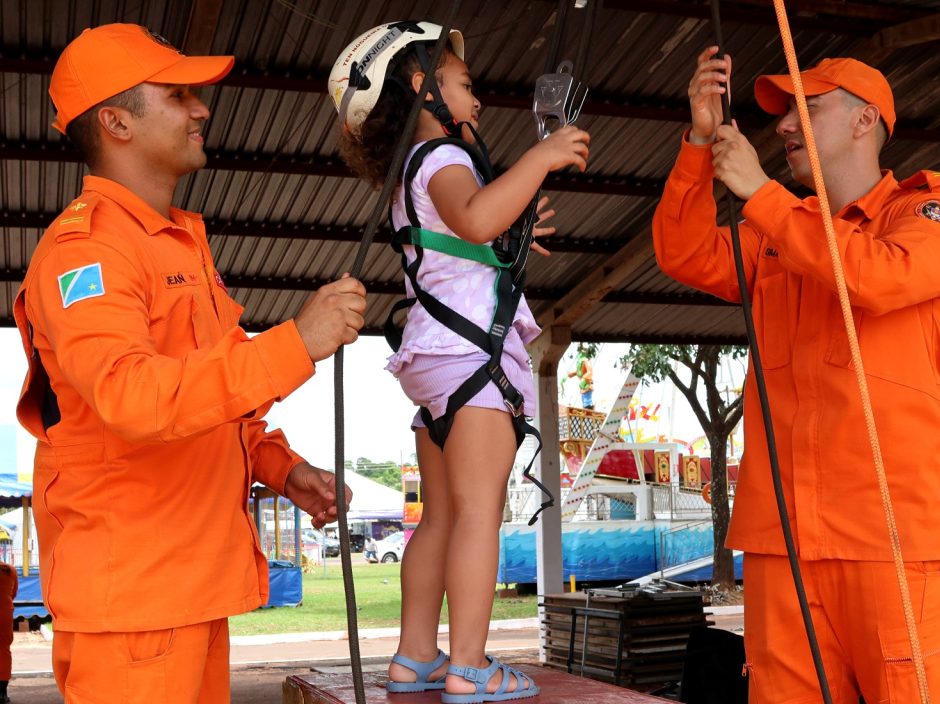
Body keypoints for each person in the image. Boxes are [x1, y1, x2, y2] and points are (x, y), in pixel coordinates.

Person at [14, 24, 366, 703]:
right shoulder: (86, 253)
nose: (200, 108)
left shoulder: (177, 246)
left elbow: (210, 399)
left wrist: (280, 467)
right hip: (135, 607)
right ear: (116, 121)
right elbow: (133, 398)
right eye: (177, 95)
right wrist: (297, 341)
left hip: (186, 590)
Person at [653, 50, 940, 703]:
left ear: (864, 121)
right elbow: (682, 251)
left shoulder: (930, 217)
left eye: (808, 107)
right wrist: (698, 142)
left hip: (892, 539)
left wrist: (764, 198)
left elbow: (875, 278)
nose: (784, 127)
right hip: (783, 545)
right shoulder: (777, 237)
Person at [330, 21, 589, 704]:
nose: (475, 100)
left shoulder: (413, 170)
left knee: (440, 516)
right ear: (423, 86)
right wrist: (543, 159)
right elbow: (474, 220)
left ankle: (415, 655)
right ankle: (470, 667)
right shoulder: (442, 157)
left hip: (436, 361)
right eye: (464, 85)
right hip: (471, 357)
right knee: (479, 511)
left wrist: (511, 227)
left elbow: (468, 236)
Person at [0, 562, 16, 704]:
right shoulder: (9, 570)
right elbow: (14, 592)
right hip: (4, 613)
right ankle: (2, 693)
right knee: (3, 651)